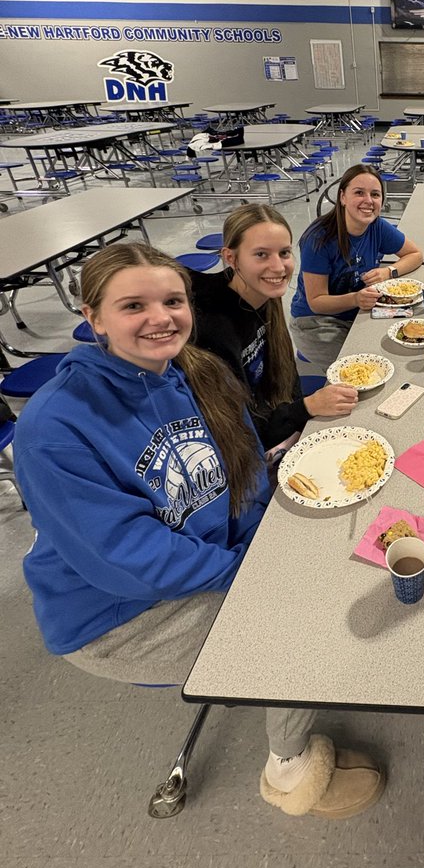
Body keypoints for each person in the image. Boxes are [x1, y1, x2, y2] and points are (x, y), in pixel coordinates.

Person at [14, 243, 385, 820]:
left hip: (207, 556)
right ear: (93, 318)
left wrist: (280, 534)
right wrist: (258, 575)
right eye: (133, 305)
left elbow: (243, 475)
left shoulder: (197, 372)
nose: (160, 318)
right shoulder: (55, 426)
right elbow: (125, 558)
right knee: (301, 619)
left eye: (172, 301)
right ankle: (289, 773)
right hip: (117, 612)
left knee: (325, 552)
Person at [190, 203, 358, 456]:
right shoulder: (214, 328)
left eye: (284, 253)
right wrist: (306, 408)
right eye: (261, 254)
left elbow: (286, 374)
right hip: (243, 451)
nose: (279, 267)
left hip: (274, 425)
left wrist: (300, 417)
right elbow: (240, 430)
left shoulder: (263, 295)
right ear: (230, 258)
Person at [290, 164, 423, 373]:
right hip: (316, 323)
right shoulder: (319, 238)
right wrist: (355, 299)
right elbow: (316, 302)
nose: (368, 201)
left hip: (359, 313)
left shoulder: (377, 226)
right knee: (365, 371)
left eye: (375, 194)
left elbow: (415, 255)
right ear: (342, 197)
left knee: (403, 346)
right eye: (359, 193)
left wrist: (388, 272)